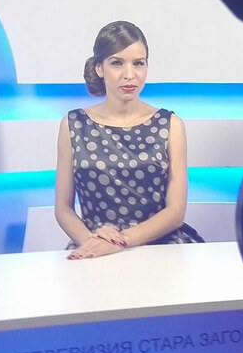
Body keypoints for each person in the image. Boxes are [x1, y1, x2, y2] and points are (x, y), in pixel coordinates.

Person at [55, 21, 203, 260]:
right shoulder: (73, 124)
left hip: (161, 245)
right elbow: (63, 208)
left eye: (138, 63)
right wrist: (92, 242)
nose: (129, 75)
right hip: (94, 245)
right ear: (99, 68)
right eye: (117, 63)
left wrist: (120, 241)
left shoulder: (171, 124)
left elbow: (175, 212)